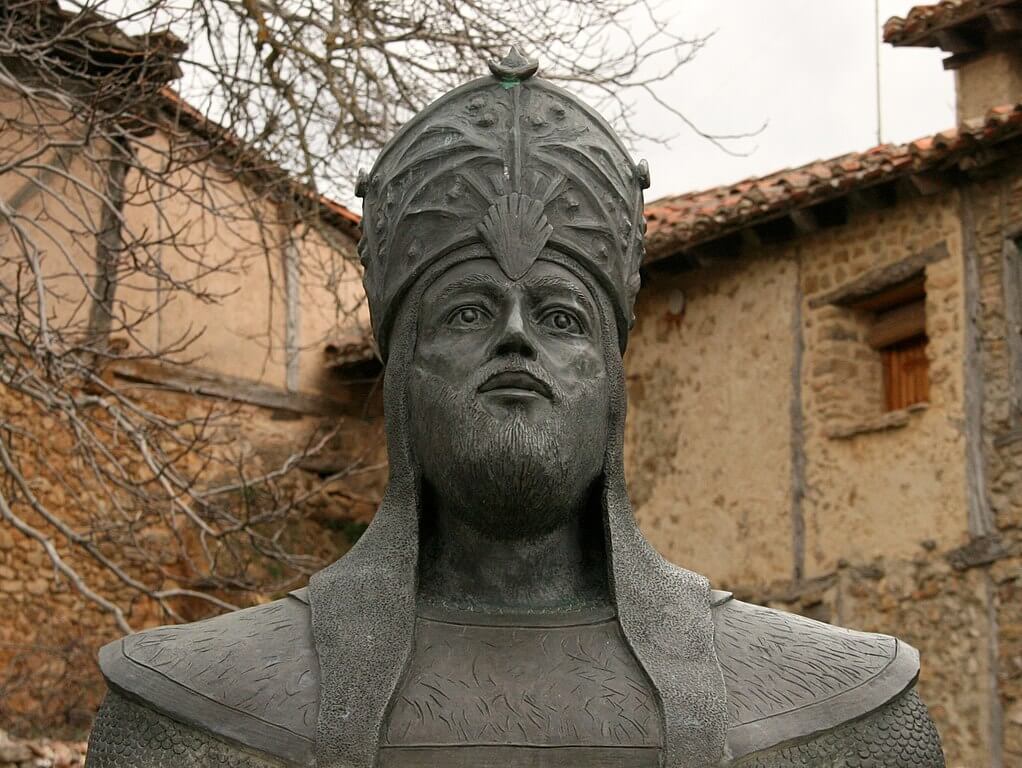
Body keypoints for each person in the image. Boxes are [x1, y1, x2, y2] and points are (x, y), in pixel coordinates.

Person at [86, 49, 944, 768]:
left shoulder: (846, 711)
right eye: (466, 312)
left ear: (612, 384)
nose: (516, 337)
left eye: (563, 318)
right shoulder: (186, 708)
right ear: (405, 378)